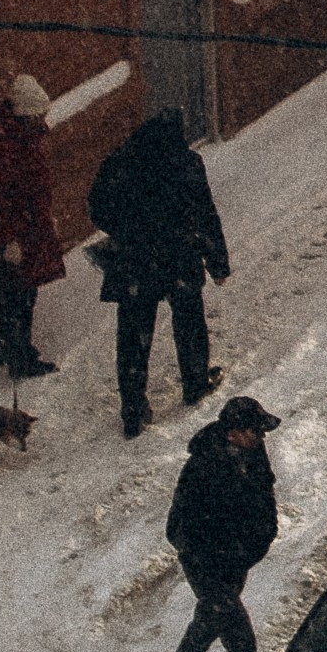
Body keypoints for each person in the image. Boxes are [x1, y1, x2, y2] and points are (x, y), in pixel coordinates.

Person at [88, 108, 230, 439]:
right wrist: (217, 262)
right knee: (189, 320)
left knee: (133, 334)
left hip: (134, 260)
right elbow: (206, 214)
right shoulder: (186, 163)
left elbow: (97, 208)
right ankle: (195, 382)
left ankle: (133, 408)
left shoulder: (120, 163)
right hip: (178, 255)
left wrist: (126, 230)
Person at [154, 393, 281, 652]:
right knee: (240, 636)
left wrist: (248, 550)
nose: (261, 437)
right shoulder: (203, 466)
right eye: (255, 430)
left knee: (212, 618)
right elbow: (179, 527)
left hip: (235, 561)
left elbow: (264, 508)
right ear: (233, 433)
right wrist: (215, 554)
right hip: (206, 563)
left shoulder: (253, 455)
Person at [0, 75, 64, 380]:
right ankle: (20, 358)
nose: (43, 121)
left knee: (18, 293)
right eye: (38, 115)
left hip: (27, 227)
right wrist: (8, 239)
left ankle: (6, 345)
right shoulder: (5, 147)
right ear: (25, 114)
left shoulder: (18, 136)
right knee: (20, 296)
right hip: (19, 232)